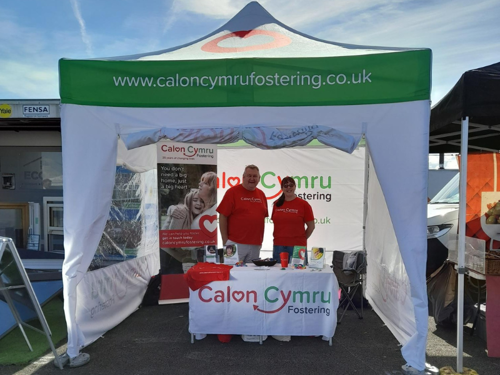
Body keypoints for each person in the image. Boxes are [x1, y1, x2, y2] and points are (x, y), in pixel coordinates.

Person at [217, 165, 268, 263]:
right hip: (233, 244)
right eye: (249, 176)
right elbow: (223, 216)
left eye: (254, 176)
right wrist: (225, 241)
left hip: (255, 245)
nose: (252, 179)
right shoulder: (232, 192)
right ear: (243, 177)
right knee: (231, 273)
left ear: (259, 178)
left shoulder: (261, 194)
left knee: (252, 276)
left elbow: (261, 218)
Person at [271, 176, 315, 263]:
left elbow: (311, 226)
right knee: (279, 274)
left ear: (295, 186)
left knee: (299, 274)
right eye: (286, 186)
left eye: (291, 185)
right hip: (278, 246)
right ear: (282, 188)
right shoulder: (277, 204)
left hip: (297, 247)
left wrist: (301, 239)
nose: (288, 188)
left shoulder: (304, 204)